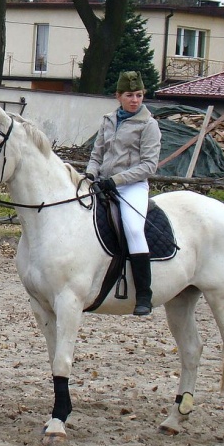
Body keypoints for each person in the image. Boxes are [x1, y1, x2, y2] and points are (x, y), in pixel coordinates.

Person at [86, 71, 162, 315]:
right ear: (118, 96)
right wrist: (89, 174)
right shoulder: (108, 120)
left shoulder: (149, 125)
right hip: (102, 182)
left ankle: (143, 294)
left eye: (139, 95)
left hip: (132, 186)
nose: (135, 100)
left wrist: (116, 180)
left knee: (132, 228)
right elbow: (97, 154)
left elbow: (149, 165)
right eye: (130, 95)